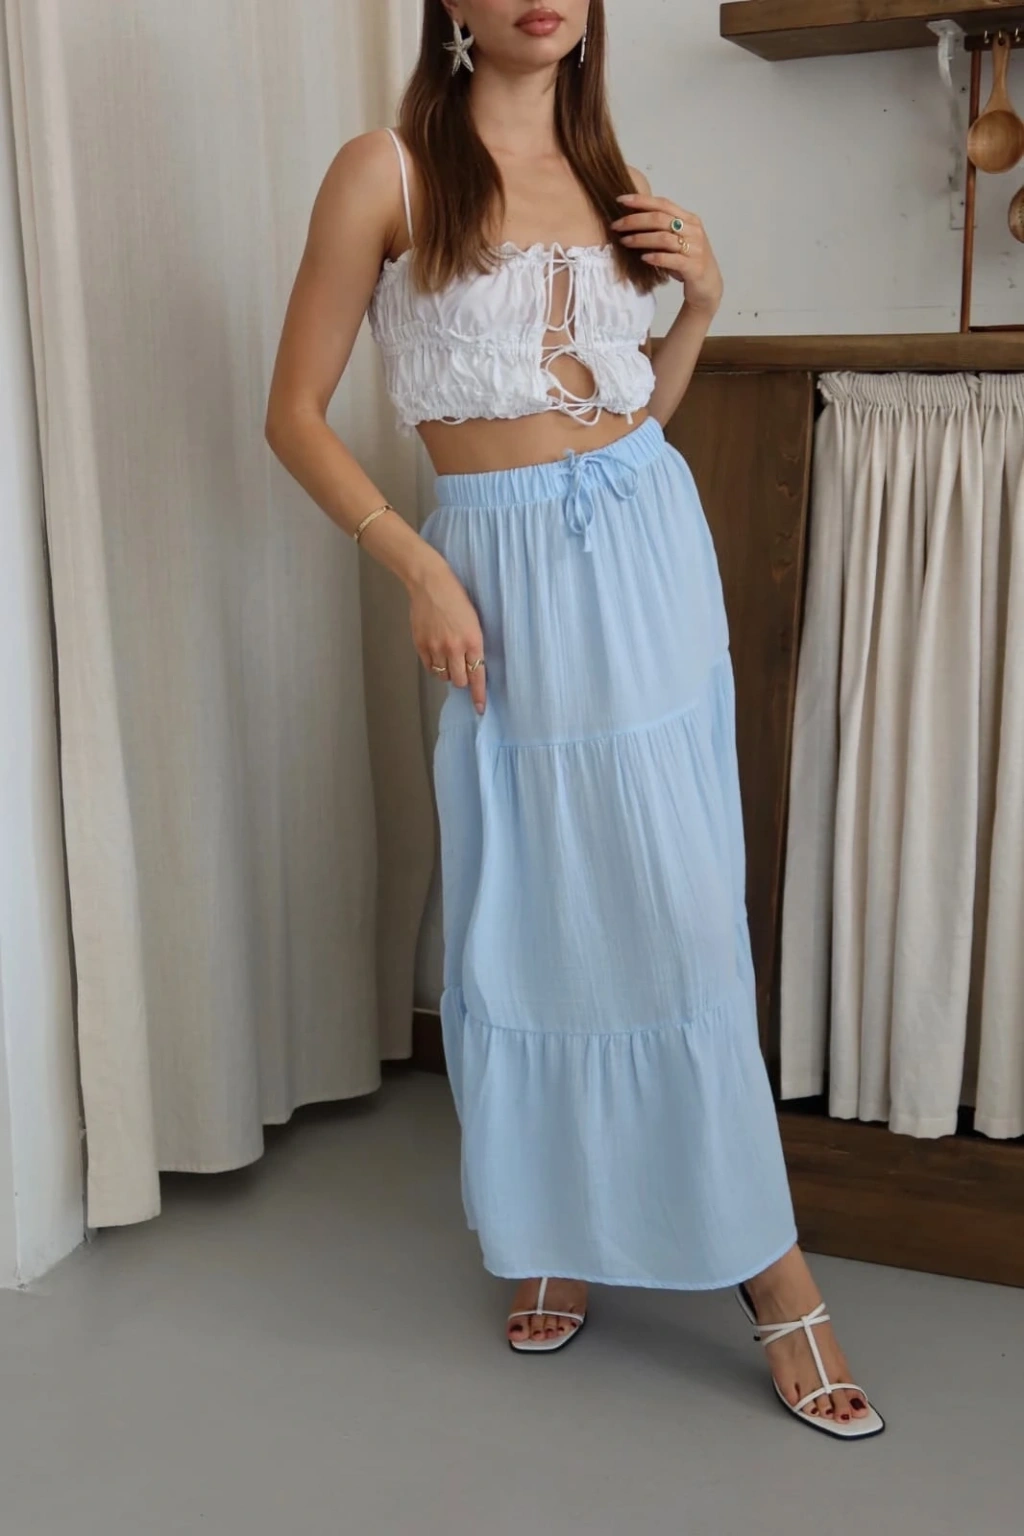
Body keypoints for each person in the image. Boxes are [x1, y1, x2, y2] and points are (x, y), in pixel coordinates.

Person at [265, 0, 883, 1441]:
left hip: (647, 550)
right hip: (501, 569)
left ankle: (775, 1272)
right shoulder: (385, 171)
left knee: (678, 907)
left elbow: (634, 419)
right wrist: (420, 565)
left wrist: (703, 307)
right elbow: (292, 411)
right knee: (532, 902)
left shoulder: (618, 180)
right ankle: (554, 1215)